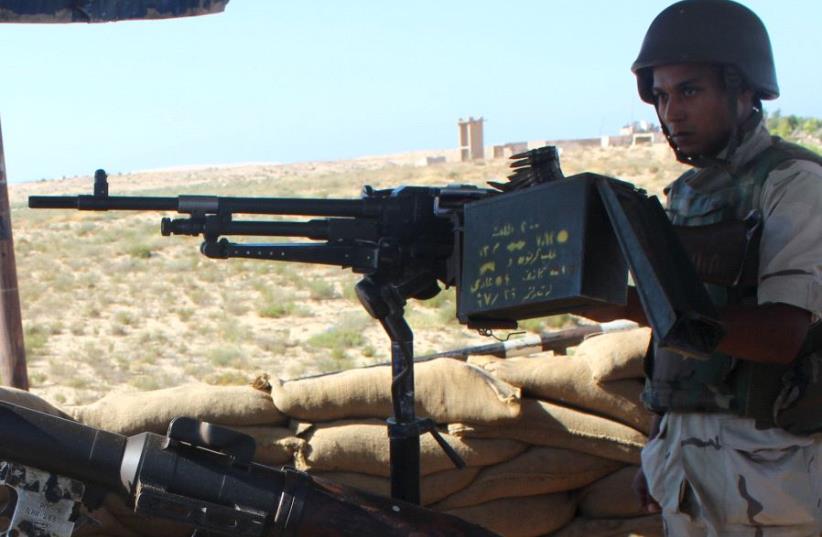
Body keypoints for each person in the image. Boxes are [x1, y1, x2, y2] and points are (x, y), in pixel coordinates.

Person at [585, 1, 822, 535]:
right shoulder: (686, 195)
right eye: (662, 96)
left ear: (743, 91)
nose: (672, 113)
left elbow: (782, 334)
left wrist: (628, 303)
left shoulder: (794, 184)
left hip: (773, 462)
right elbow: (678, 343)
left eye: (689, 91)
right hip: (690, 459)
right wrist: (662, 440)